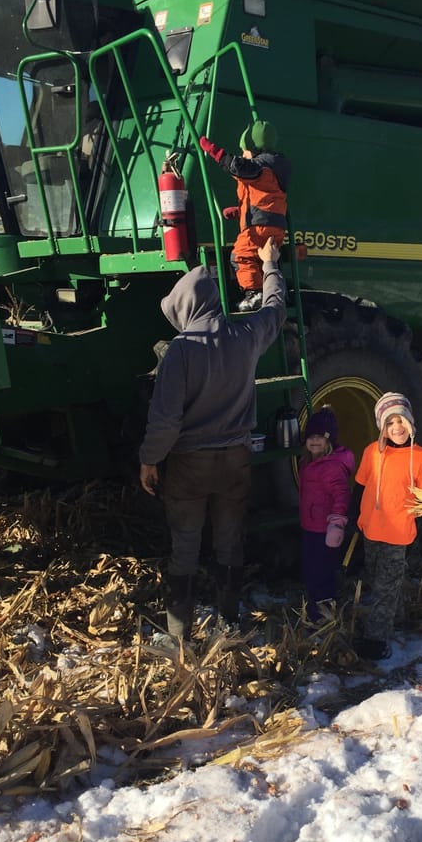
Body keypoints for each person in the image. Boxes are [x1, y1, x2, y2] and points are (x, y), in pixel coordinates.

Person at [139, 238, 286, 641]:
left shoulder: (181, 351)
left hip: (189, 465)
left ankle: (178, 635)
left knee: (185, 545)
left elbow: (166, 420)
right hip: (236, 460)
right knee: (229, 541)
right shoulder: (245, 336)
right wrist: (270, 265)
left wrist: (149, 460)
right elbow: (274, 310)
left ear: (185, 307)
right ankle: (228, 620)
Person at [352, 392, 422, 660]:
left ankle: (376, 641)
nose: (397, 428)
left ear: (411, 422)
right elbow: (360, 487)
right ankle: (398, 616)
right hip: (370, 529)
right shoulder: (372, 452)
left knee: (384, 586)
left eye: (401, 421)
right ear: (382, 427)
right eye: (390, 423)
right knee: (377, 579)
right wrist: (353, 520)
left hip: (398, 533)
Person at [198, 120, 291, 311]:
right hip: (272, 223)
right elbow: (264, 199)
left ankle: (255, 294)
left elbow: (237, 166)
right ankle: (276, 291)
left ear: (255, 148)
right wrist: (240, 212)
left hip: (260, 226)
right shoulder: (273, 167)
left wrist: (213, 151)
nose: (242, 154)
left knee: (241, 256)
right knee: (262, 259)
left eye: (244, 150)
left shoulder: (260, 166)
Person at [297, 405, 355, 622]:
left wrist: (337, 523)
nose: (314, 441)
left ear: (329, 440)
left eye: (320, 437)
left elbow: (341, 494)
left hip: (325, 530)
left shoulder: (330, 467)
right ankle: (315, 611)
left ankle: (323, 616)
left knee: (322, 573)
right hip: (310, 527)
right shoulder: (308, 462)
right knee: (311, 571)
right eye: (310, 437)